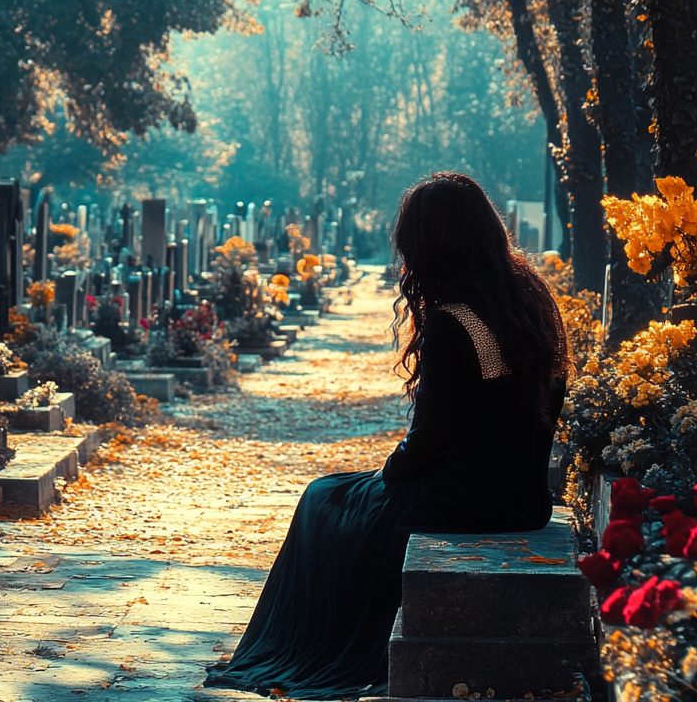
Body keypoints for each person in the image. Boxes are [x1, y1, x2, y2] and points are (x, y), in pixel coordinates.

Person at [203, 172, 568, 699]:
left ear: (434, 242)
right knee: (336, 498)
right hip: (525, 499)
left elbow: (426, 441)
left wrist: (384, 477)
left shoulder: (453, 320)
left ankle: (312, 652)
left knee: (322, 499)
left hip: (466, 501)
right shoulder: (529, 306)